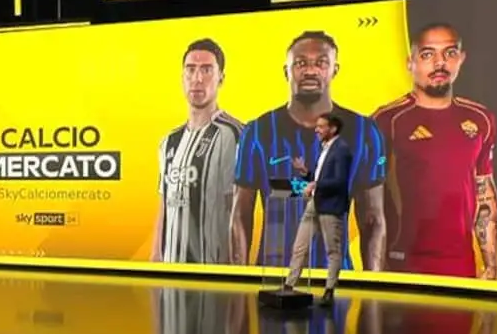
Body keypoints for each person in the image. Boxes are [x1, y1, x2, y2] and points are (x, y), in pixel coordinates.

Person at [231, 30, 386, 270]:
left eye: (321, 63)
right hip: (273, 280)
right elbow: (240, 215)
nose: (311, 71)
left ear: (334, 69)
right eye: (301, 63)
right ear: (287, 71)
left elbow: (373, 219)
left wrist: (373, 287)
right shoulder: (258, 132)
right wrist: (236, 283)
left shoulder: (363, 132)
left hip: (336, 281)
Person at [372, 23, 497, 279]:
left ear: (461, 59)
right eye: (427, 54)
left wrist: (491, 266)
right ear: (411, 62)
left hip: (461, 264)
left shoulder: (481, 119)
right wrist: (376, 270)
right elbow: (369, 202)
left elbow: (485, 194)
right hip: (401, 266)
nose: (440, 63)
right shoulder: (387, 120)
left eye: (449, 53)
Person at [153, 38, 244, 264]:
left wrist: (234, 269)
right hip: (170, 269)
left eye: (206, 70)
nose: (197, 78)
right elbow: (164, 204)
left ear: (221, 78)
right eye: (191, 70)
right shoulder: (169, 142)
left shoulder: (234, 134)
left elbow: (237, 209)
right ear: (182, 77)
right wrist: (155, 256)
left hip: (211, 270)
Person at [281, 113, 353, 306]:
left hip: (330, 206)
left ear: (333, 129)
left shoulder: (342, 150)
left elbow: (339, 182)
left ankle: (329, 290)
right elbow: (320, 178)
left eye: (321, 126)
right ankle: (289, 285)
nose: (316, 130)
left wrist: (315, 185)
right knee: (300, 246)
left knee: (332, 250)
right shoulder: (324, 149)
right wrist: (306, 173)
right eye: (317, 126)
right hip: (315, 203)